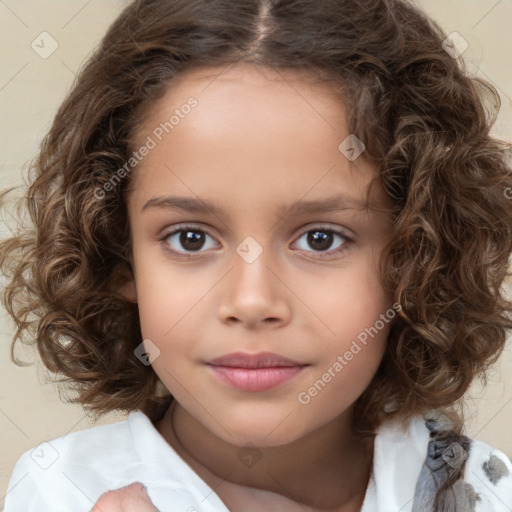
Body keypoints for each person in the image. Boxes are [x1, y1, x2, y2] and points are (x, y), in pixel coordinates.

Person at [1, 0, 511, 511]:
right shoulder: (62, 492)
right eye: (191, 239)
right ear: (118, 255)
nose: (251, 301)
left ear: (417, 256)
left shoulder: (484, 493)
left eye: (320, 239)